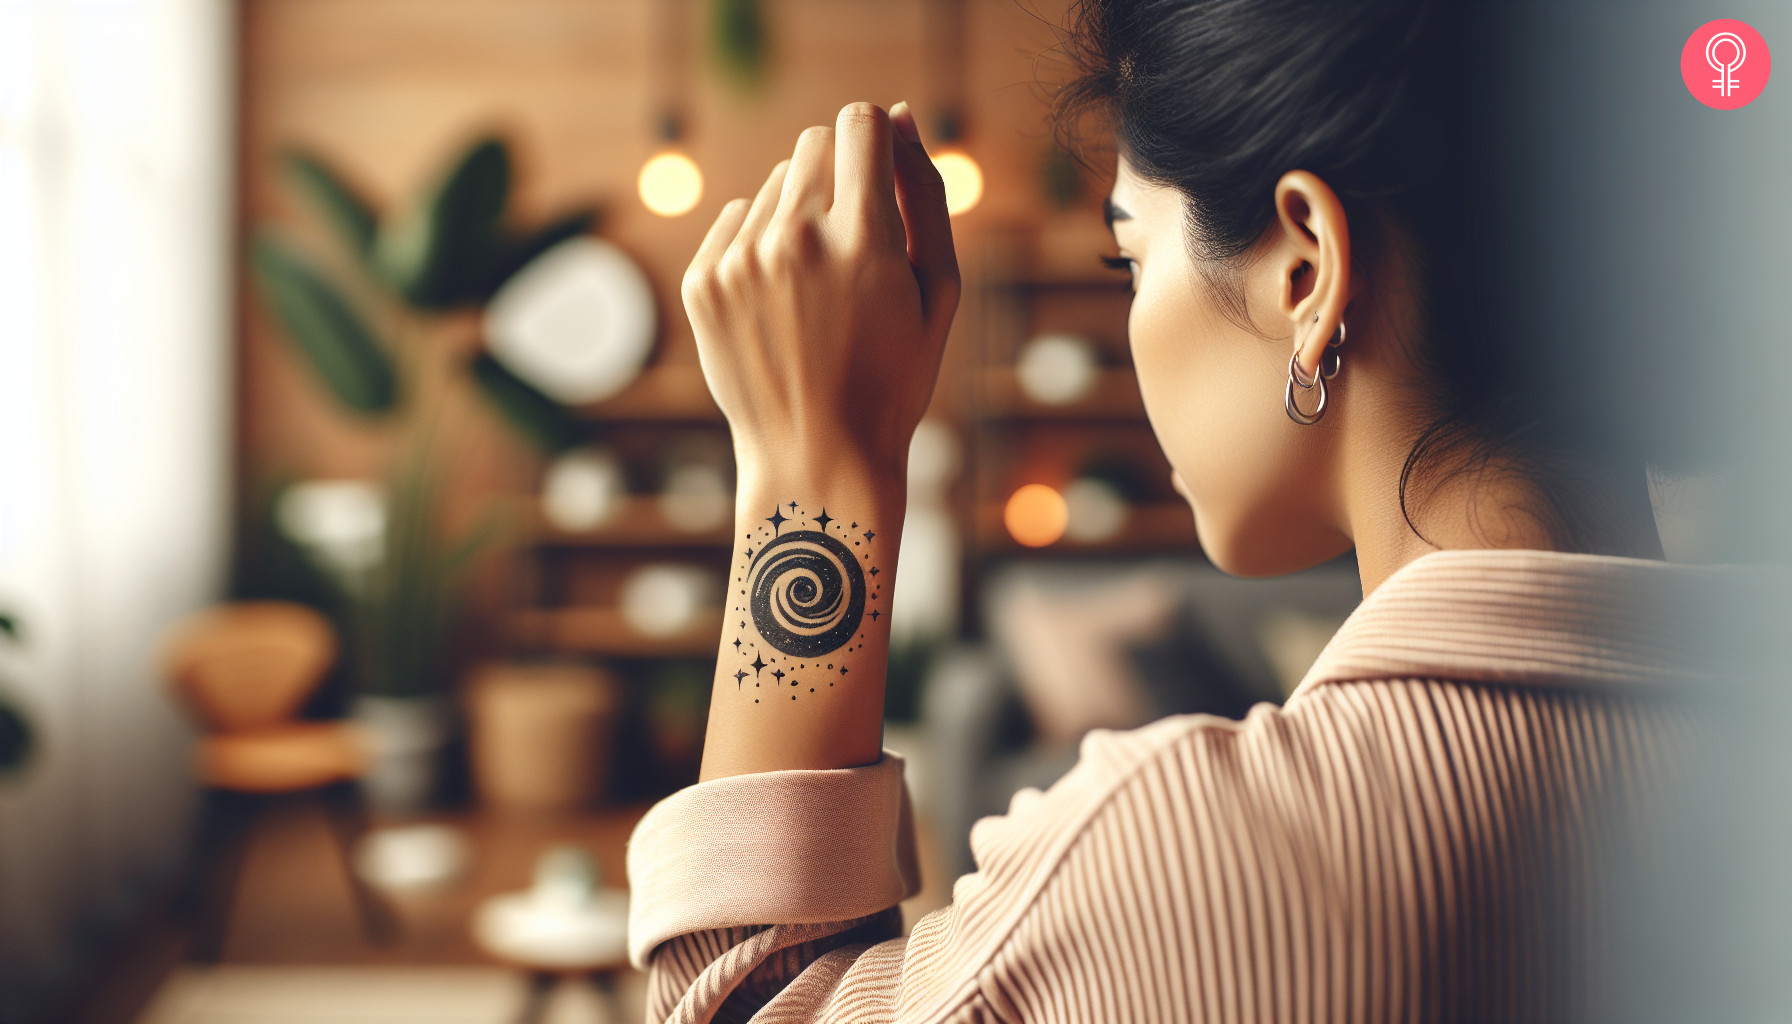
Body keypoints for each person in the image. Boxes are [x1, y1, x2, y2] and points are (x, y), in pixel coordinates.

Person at [625, 1, 1739, 1020]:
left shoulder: (1184, 858)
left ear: (1303, 268)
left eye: (1128, 256)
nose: (1128, 320)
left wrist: (812, 472)